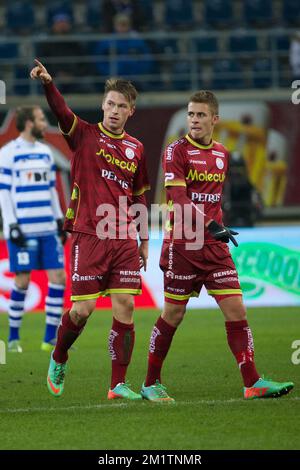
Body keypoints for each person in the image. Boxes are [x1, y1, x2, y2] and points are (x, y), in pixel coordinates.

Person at [141, 91, 294, 402]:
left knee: (236, 308)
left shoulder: (223, 154)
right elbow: (179, 200)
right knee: (173, 314)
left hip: (215, 246)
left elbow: (213, 200)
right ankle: (150, 383)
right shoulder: (176, 152)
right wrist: (211, 226)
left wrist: (217, 225)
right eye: (191, 115)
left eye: (200, 115)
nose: (194, 120)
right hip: (184, 245)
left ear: (215, 119)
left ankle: (252, 382)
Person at [30, 59, 150, 400]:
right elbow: (61, 110)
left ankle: (117, 385)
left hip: (124, 236)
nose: (114, 111)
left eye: (121, 106)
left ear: (131, 111)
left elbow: (140, 196)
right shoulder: (82, 134)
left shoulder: (136, 149)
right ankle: (59, 355)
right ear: (102, 105)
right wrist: (48, 84)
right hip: (88, 233)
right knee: (81, 310)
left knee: (125, 305)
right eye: (110, 104)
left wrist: (143, 240)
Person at [0, 105, 67, 353]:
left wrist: (60, 219)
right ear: (28, 123)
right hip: (24, 229)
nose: (44, 123)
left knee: (58, 278)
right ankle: (14, 338)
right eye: (41, 119)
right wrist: (11, 225)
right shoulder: (8, 153)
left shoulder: (45, 153)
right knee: (22, 281)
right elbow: (4, 192)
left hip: (47, 228)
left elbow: (51, 190)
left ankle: (49, 339)